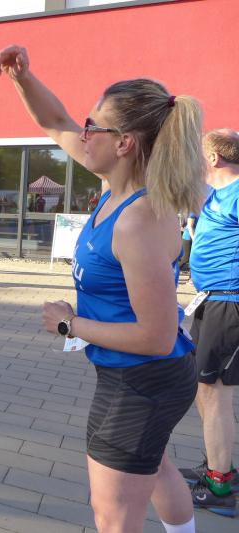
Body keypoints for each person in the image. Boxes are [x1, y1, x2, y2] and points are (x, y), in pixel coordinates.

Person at [0, 45, 204, 533]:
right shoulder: (116, 189)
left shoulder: (137, 220)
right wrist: (23, 77)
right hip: (142, 376)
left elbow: (155, 335)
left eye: (93, 126)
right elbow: (54, 121)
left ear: (124, 143)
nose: (82, 132)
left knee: (112, 516)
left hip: (142, 381)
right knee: (155, 468)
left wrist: (70, 324)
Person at [178, 128, 239, 517]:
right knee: (208, 390)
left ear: (214, 158)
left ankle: (220, 485)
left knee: (214, 392)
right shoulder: (213, 195)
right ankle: (220, 466)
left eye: (199, 154)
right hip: (209, 300)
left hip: (229, 304)